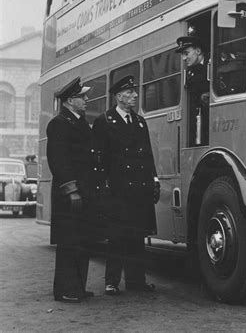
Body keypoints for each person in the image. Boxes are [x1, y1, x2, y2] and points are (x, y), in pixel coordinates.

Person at [92, 75, 160, 296]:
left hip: (139, 189)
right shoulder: (105, 121)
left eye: (134, 92)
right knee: (117, 237)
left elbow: (148, 155)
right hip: (118, 189)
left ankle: (136, 281)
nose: (135, 96)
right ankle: (111, 282)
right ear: (119, 96)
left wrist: (155, 180)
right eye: (130, 93)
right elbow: (99, 158)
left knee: (137, 236)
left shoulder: (140, 122)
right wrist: (102, 186)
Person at [46, 77, 95, 303]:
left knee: (82, 240)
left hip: (83, 191)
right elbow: (59, 161)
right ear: (69, 101)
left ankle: (77, 286)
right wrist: (71, 189)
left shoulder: (79, 121)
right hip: (70, 195)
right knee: (68, 242)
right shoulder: (59, 123)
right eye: (82, 97)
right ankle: (65, 289)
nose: (86, 100)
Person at [176, 33, 210, 145]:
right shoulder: (190, 73)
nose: (184, 58)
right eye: (182, 55)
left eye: (186, 53)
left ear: (198, 51)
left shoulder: (213, 63)